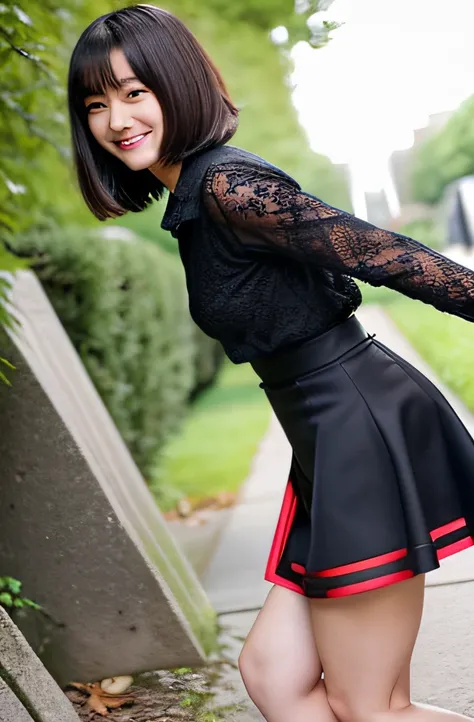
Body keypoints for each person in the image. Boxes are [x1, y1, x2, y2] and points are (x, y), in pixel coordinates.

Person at [68, 6, 474, 722]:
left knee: (368, 705)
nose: (114, 119)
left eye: (134, 92)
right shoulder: (195, 200)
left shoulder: (228, 185)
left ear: (177, 83)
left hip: (358, 423)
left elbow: (381, 254)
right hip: (327, 432)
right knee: (274, 677)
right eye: (96, 103)